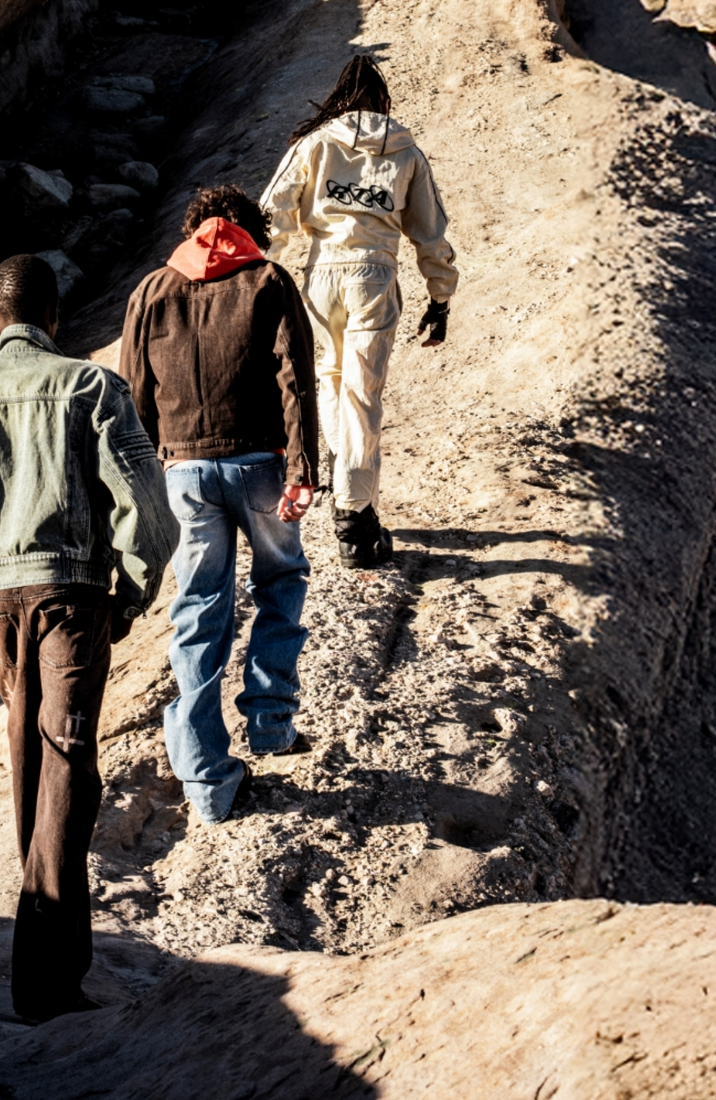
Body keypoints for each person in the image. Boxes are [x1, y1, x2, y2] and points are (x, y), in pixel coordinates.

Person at [0, 254, 176, 1022]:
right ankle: (46, 981)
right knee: (65, 765)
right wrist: (129, 596)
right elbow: (147, 509)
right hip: (72, 597)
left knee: (33, 763)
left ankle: (51, 969)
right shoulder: (91, 388)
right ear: (55, 313)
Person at [117, 185, 319, 823]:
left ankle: (206, 781)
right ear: (252, 229)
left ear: (192, 228)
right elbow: (296, 379)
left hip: (182, 473)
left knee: (199, 610)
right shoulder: (268, 280)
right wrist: (303, 470)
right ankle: (271, 724)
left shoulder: (152, 290)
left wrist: (148, 483)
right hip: (260, 466)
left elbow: (134, 393)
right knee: (281, 580)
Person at [260, 53, 459, 568]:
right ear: (384, 102)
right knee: (363, 394)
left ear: (341, 100)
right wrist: (440, 297)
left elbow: (273, 213)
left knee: (330, 381)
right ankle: (355, 520)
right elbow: (430, 232)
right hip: (374, 274)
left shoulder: (315, 143)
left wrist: (257, 276)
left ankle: (342, 470)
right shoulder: (407, 151)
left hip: (321, 277)